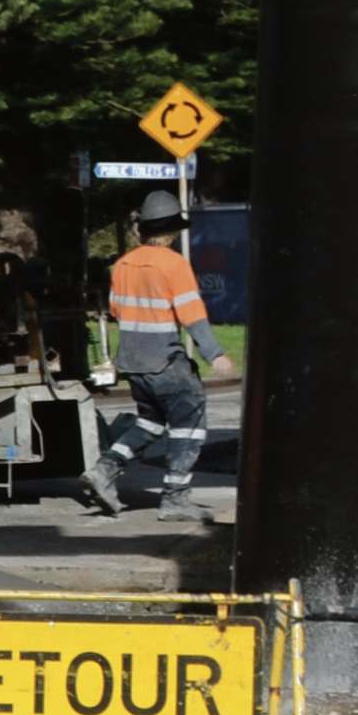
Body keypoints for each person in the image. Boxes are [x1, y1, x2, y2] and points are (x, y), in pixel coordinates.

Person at [99, 188, 213, 510]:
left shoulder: (122, 265)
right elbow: (192, 314)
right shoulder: (173, 264)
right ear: (173, 231)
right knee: (189, 423)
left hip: (133, 364)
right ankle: (175, 500)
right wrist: (214, 353)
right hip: (163, 361)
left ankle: (103, 470)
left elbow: (116, 310)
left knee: (149, 423)